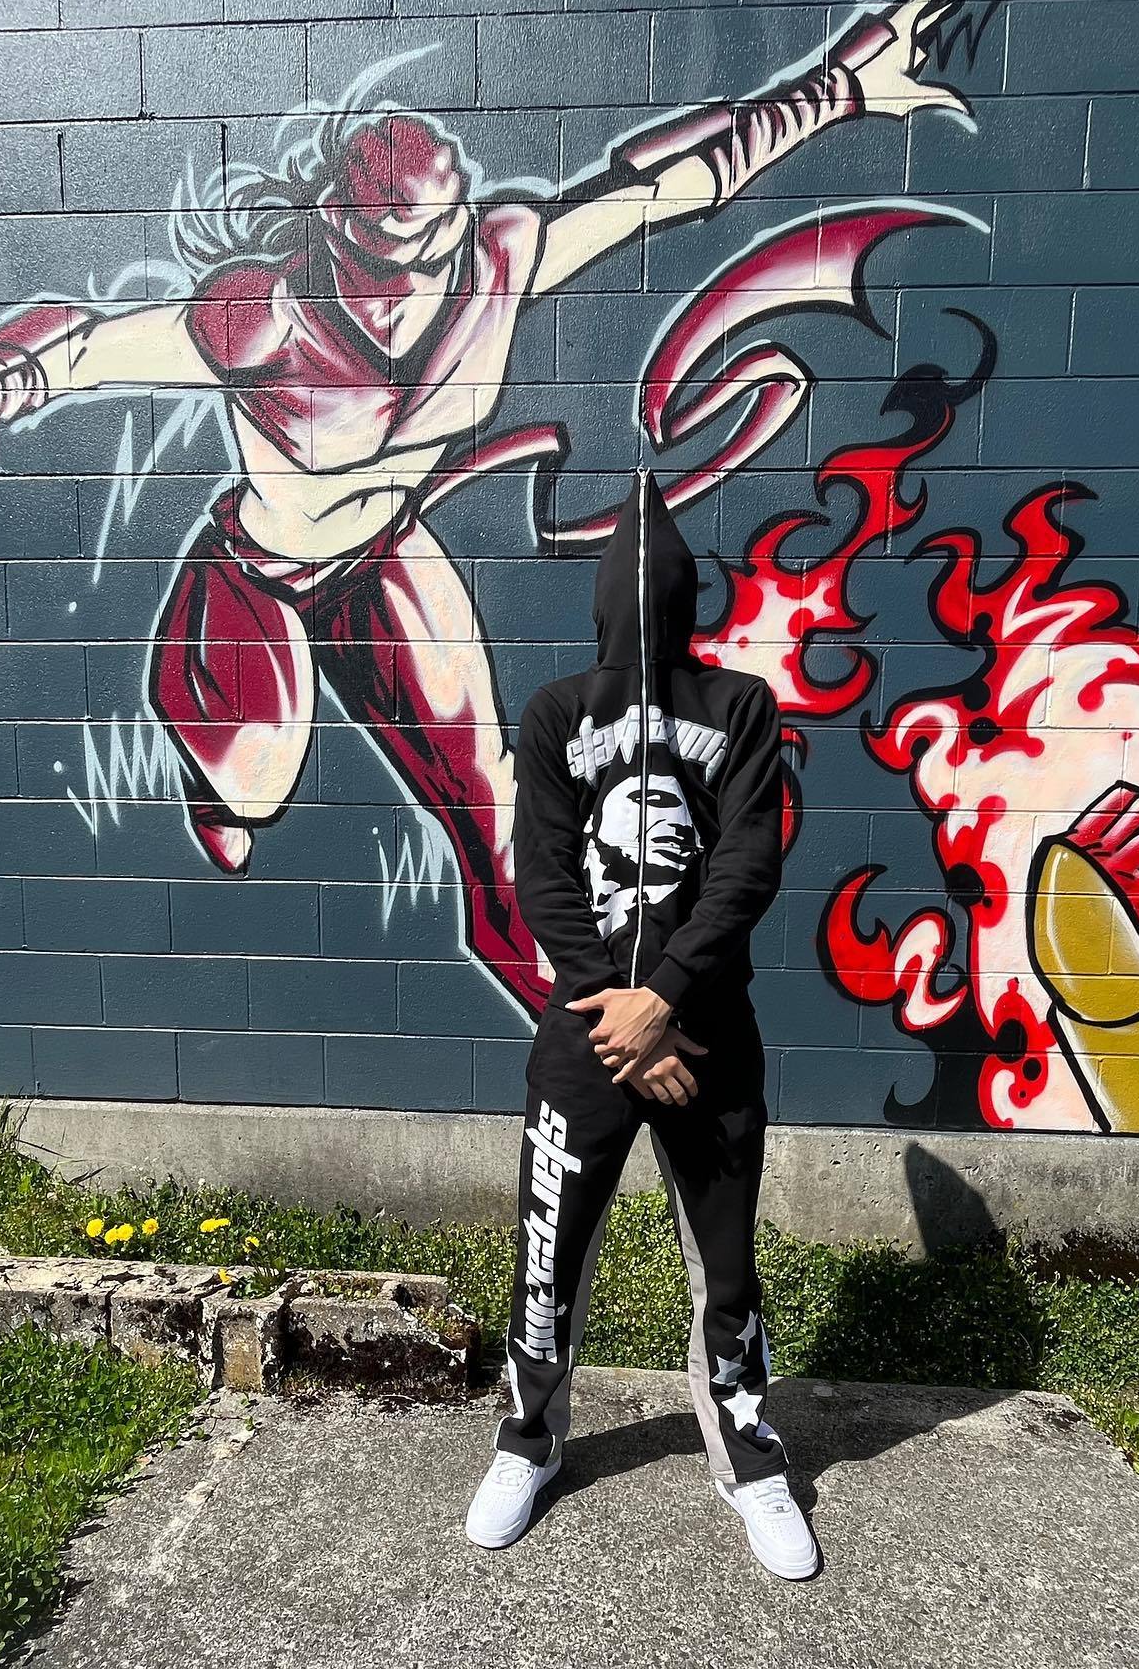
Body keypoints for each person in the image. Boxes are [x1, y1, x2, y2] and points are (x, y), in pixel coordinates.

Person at [0, 0, 973, 1016]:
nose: (405, 290)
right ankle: (220, 777)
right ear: (338, 237)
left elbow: (664, 188)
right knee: (253, 785)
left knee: (487, 801)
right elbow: (83, 349)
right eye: (382, 262)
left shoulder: (496, 264)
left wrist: (840, 88)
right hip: (259, 572)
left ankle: (569, 1021)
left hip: (384, 556)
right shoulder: (262, 322)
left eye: (427, 255)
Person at [464, 471, 816, 1580]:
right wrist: (622, 1016)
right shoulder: (556, 714)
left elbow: (748, 863)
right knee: (548, 1257)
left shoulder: (742, 707)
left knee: (728, 1267)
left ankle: (748, 1459)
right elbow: (543, 876)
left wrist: (662, 1000)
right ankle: (528, 1439)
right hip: (587, 1038)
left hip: (707, 1038)